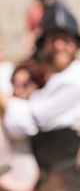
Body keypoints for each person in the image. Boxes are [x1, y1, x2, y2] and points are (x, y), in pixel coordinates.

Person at [0, 3, 80, 191]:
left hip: (76, 172)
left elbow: (28, 119)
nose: (59, 45)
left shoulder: (78, 78)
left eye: (65, 39)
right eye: (53, 39)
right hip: (60, 170)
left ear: (76, 44)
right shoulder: (59, 77)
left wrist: (3, 99)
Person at [0, 59, 47, 191]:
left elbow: (21, 119)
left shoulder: (41, 110)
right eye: (15, 84)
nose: (18, 90)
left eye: (25, 85)